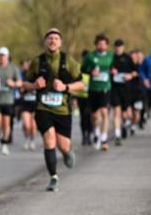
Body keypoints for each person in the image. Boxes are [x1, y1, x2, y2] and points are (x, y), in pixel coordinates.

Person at [32, 28, 85, 191]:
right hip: (43, 107)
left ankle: (67, 151)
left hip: (62, 109)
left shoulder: (69, 61)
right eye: (49, 38)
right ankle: (53, 176)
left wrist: (65, 87)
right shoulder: (37, 61)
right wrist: (34, 85)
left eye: (56, 38)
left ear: (60, 43)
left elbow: (82, 84)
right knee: (49, 139)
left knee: (63, 145)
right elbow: (24, 84)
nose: (52, 41)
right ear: (45, 42)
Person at [82, 34, 115, 151]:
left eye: (104, 44)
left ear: (107, 45)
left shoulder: (111, 56)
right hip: (93, 88)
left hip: (105, 88)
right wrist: (90, 71)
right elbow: (82, 69)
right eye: (99, 44)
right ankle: (96, 132)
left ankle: (104, 138)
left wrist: (114, 70)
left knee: (105, 112)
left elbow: (115, 67)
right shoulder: (90, 56)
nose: (101, 46)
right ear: (96, 44)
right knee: (94, 115)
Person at [0, 46, 21, 156]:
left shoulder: (13, 68)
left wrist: (13, 84)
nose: (1, 58)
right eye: (0, 56)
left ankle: (4, 144)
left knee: (6, 123)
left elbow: (20, 82)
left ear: (7, 56)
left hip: (8, 100)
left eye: (3, 56)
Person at [109, 39, 136, 145]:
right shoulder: (111, 58)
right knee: (116, 111)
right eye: (116, 47)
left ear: (123, 48)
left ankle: (125, 124)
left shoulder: (128, 58)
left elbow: (135, 72)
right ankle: (117, 134)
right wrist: (111, 71)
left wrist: (130, 76)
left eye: (120, 47)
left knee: (125, 114)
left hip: (126, 89)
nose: (118, 49)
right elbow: (105, 69)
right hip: (114, 88)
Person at [18, 58, 39, 150]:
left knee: (33, 125)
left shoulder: (38, 76)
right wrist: (22, 89)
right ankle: (26, 139)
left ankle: (32, 141)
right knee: (26, 125)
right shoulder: (23, 75)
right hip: (25, 103)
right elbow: (20, 88)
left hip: (35, 103)